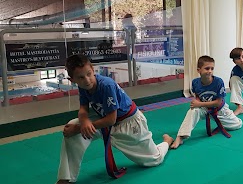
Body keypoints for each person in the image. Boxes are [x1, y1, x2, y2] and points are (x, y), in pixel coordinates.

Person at [56, 54, 173, 184]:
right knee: (70, 127)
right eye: (81, 77)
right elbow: (83, 109)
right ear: (73, 80)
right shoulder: (83, 87)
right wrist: (83, 122)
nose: (87, 80)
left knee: (154, 160)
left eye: (89, 74)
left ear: (93, 69)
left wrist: (79, 128)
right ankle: (66, 178)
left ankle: (166, 142)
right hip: (104, 121)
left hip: (129, 123)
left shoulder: (106, 85)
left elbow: (111, 120)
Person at [170, 56, 243, 149]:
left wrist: (199, 104)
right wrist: (196, 102)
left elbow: (218, 102)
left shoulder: (218, 82)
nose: (210, 71)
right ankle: (180, 137)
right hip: (204, 109)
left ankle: (230, 116)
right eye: (207, 68)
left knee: (237, 125)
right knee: (192, 111)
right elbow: (197, 96)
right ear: (198, 70)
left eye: (212, 69)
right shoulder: (195, 82)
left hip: (219, 109)